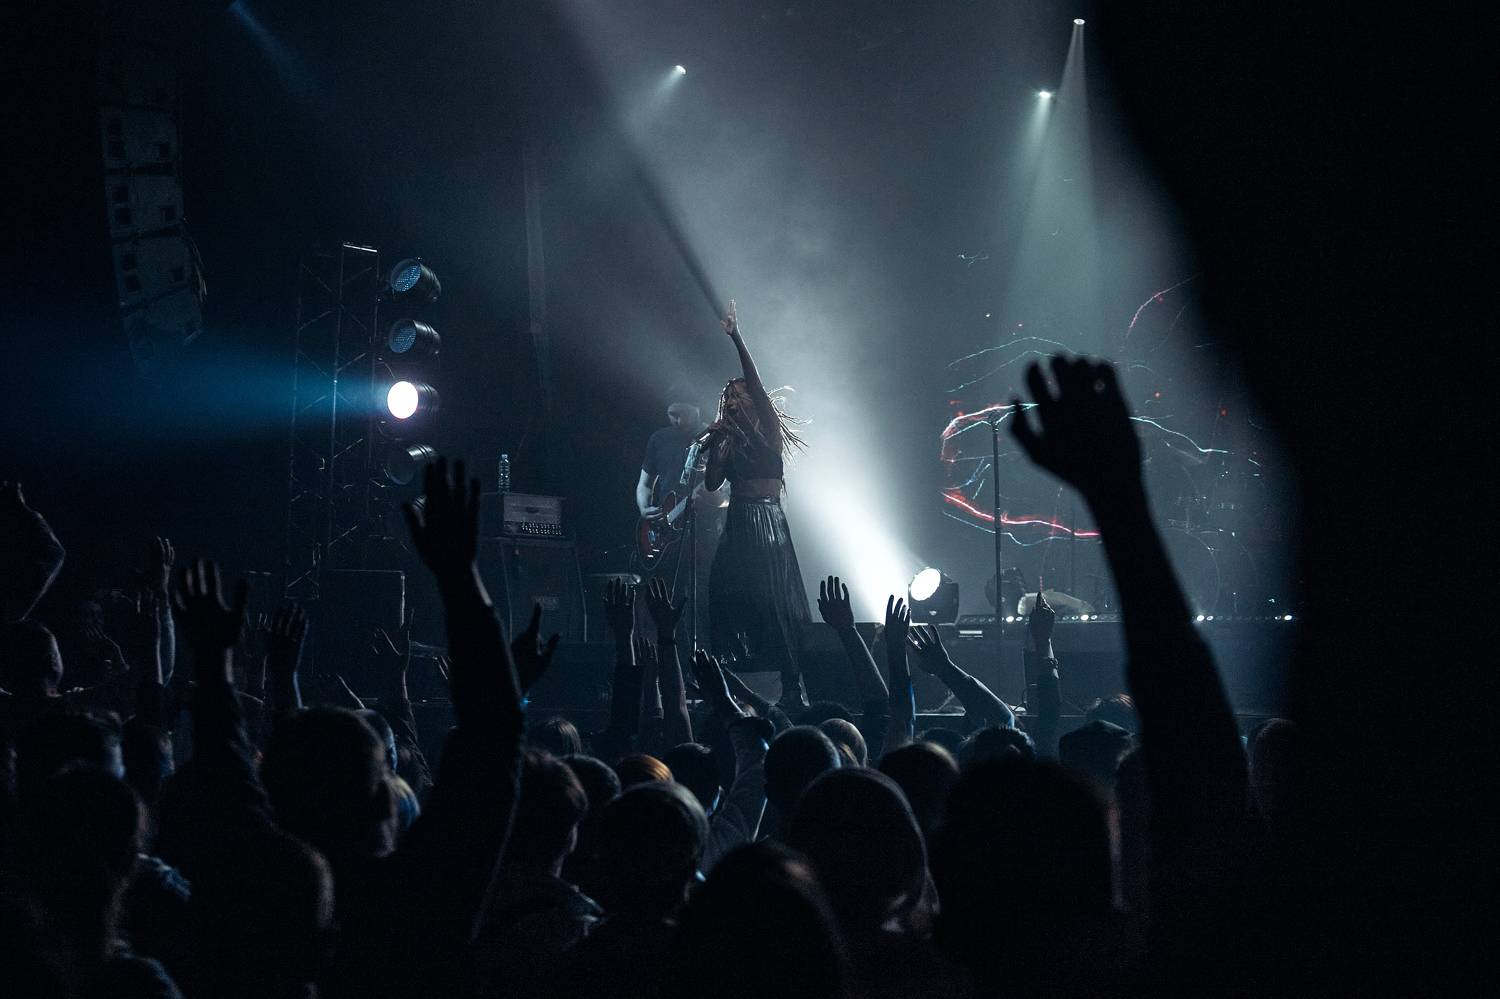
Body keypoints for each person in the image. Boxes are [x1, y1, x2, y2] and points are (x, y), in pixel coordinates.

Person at [703, 300, 812, 705]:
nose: (733, 400)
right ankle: (727, 678)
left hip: (767, 521)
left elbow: (756, 382)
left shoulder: (767, 427)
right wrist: (716, 447)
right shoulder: (726, 440)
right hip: (738, 521)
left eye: (739, 394)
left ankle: (792, 685)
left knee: (775, 598)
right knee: (725, 591)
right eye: (728, 397)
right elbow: (712, 485)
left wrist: (736, 337)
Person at [635, 401, 725, 647]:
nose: (677, 420)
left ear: (696, 409)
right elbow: (644, 484)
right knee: (665, 594)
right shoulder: (659, 439)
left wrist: (713, 498)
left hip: (703, 530)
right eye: (671, 415)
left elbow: (726, 492)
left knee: (700, 592)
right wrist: (644, 509)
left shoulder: (715, 438)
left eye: (682, 414)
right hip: (665, 531)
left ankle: (703, 650)